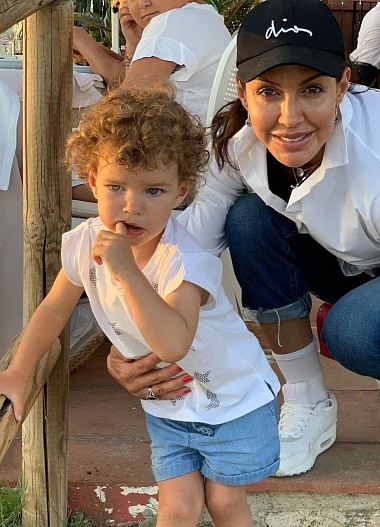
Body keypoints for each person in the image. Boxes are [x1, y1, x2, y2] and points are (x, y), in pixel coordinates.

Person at [108, 0, 380, 477]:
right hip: (347, 255)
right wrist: (137, 338)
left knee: (355, 333)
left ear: (343, 86)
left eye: (312, 90)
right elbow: (191, 246)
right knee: (248, 220)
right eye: (269, 92)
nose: (290, 117)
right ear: (243, 92)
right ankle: (307, 398)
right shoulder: (237, 143)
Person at [0, 85, 280, 527]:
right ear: (92, 180)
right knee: (177, 508)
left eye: (153, 190)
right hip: (171, 406)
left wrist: (128, 273)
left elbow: (173, 344)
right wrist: (17, 373)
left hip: (235, 401)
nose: (132, 206)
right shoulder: (84, 244)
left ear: (180, 192)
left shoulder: (186, 261)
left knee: (225, 503)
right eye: (116, 186)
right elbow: (53, 310)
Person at [72, 0, 231, 124]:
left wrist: (79, 38)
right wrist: (133, 44)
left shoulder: (172, 20)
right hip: (204, 145)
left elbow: (124, 105)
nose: (143, 3)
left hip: (179, 151)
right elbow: (126, 84)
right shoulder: (207, 17)